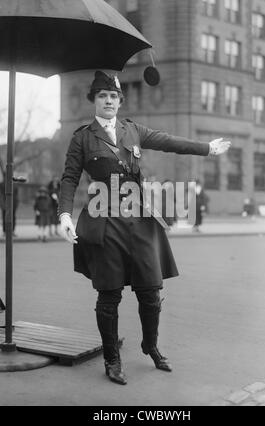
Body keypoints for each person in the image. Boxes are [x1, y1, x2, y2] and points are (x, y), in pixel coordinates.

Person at [58, 70, 231, 385]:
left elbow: (168, 141)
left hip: (138, 220)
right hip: (104, 223)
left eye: (113, 97)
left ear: (119, 101)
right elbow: (69, 178)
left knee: (151, 292)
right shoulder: (82, 138)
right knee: (109, 295)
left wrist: (206, 148)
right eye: (102, 96)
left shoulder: (132, 130)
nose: (108, 101)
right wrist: (64, 216)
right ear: (94, 101)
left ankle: (150, 345)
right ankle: (112, 359)